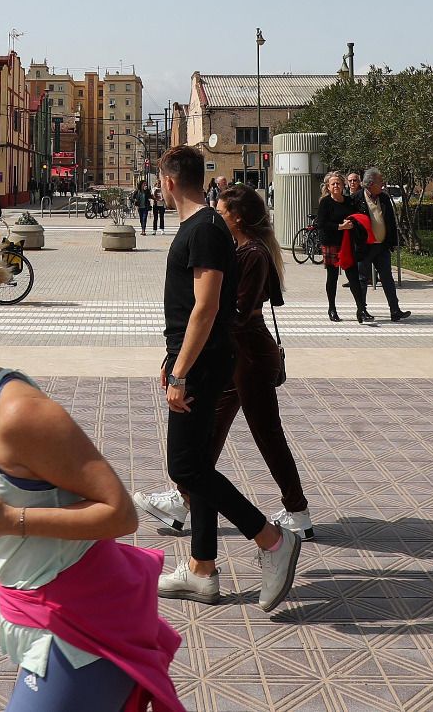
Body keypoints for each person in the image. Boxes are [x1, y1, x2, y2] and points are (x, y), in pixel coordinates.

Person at [0, 236, 184, 712]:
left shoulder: (21, 414)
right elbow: (9, 498)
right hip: (35, 615)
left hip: (82, 628)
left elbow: (120, 514)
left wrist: (9, 521)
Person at [147, 145, 300, 611]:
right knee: (198, 466)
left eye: (159, 179)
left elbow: (206, 307)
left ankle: (273, 540)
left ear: (169, 181)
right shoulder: (205, 227)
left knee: (186, 469)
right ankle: (201, 571)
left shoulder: (205, 229)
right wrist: (172, 358)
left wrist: (180, 371)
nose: (158, 186)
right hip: (197, 359)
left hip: (205, 364)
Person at [133, 182, 314, 543]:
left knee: (266, 433)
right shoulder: (244, 250)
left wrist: (194, 346)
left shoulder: (253, 254)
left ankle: (296, 510)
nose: (217, 214)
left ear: (239, 217)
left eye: (224, 210)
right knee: (211, 429)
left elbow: (238, 313)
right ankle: (184, 497)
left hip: (249, 354)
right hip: (236, 353)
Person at [349, 167, 410, 322]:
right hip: (364, 246)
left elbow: (389, 221)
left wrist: (391, 242)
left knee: (387, 278)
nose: (382, 184)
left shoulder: (383, 198)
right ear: (370, 184)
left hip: (381, 246)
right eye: (380, 182)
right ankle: (362, 310)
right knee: (362, 279)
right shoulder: (356, 199)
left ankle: (395, 310)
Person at [315, 171, 368, 323]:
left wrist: (353, 225)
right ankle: (332, 308)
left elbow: (357, 217)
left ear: (343, 185)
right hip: (331, 243)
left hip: (347, 244)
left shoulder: (349, 201)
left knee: (353, 276)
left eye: (338, 183)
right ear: (328, 187)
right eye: (333, 184)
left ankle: (361, 309)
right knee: (332, 277)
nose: (336, 186)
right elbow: (321, 224)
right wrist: (340, 226)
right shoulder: (325, 202)